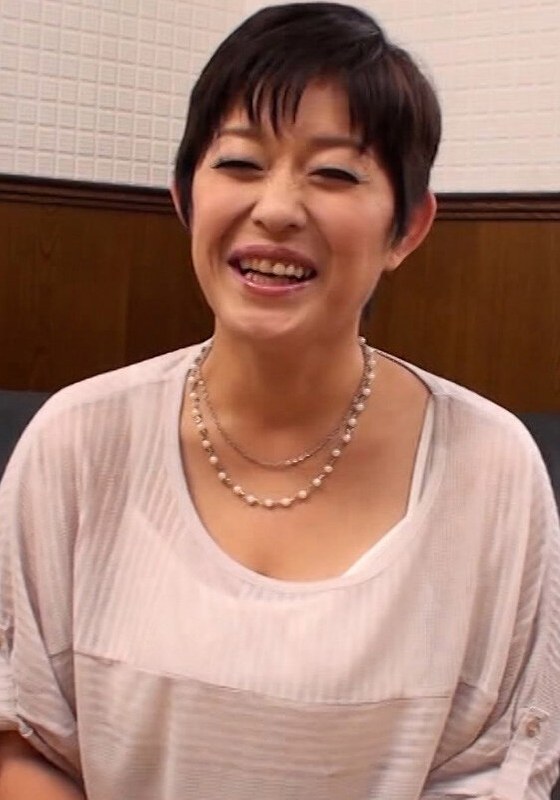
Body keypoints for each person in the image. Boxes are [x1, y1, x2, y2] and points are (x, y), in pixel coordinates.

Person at [0, 3, 559, 798]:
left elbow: (501, 772)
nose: (277, 208)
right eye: (240, 163)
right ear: (185, 195)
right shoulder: (78, 440)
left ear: (408, 228)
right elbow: (21, 737)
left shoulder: (492, 470)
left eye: (335, 174)